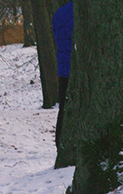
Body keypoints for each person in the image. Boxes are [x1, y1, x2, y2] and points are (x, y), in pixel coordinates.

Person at [52, 1, 73, 148]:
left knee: (64, 108)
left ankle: (60, 141)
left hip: (64, 68)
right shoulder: (82, 12)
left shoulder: (59, 13)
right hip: (78, 66)